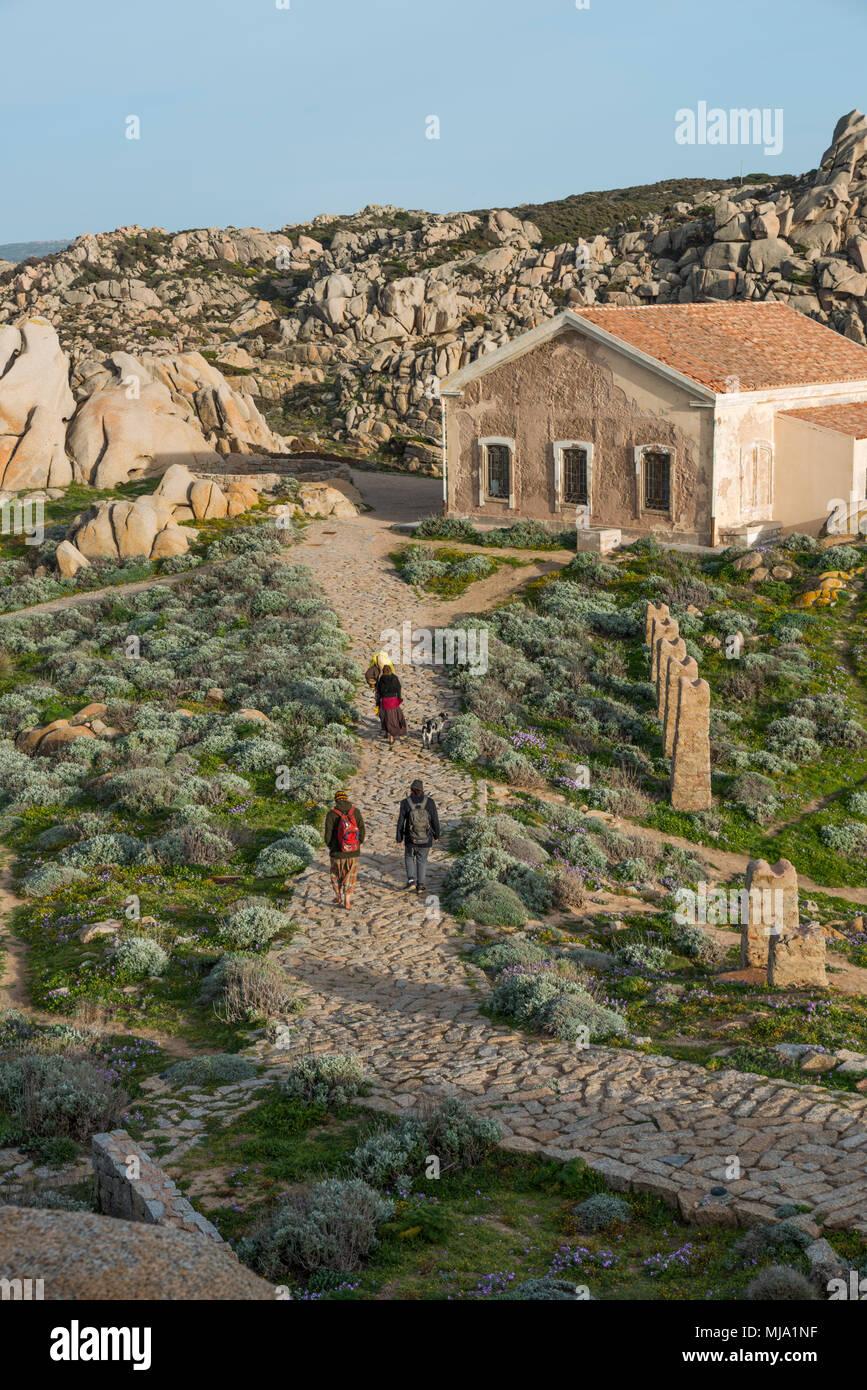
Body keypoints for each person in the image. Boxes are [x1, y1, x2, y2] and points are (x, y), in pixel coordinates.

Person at [396, 779, 440, 894]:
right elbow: (435, 820)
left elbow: (401, 821)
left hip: (410, 838)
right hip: (426, 838)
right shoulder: (430, 802)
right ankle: (420, 885)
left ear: (411, 790)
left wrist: (399, 837)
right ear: (422, 790)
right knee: (422, 860)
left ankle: (411, 881)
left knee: (409, 857)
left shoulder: (405, 802)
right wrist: (437, 835)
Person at [324, 788, 365, 910]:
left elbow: (328, 834)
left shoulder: (332, 814)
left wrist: (331, 847)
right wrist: (357, 844)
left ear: (336, 801)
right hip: (353, 851)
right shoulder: (355, 812)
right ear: (346, 799)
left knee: (335, 874)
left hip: (337, 852)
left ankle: (338, 896)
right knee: (350, 875)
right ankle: (347, 901)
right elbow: (362, 830)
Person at [376, 662, 407, 746]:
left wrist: (378, 703)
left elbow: (379, 692)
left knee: (386, 718)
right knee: (395, 718)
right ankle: (392, 736)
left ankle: (387, 733)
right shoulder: (394, 678)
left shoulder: (382, 679)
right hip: (393, 701)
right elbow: (398, 688)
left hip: (385, 702)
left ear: (383, 671)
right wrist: (399, 698)